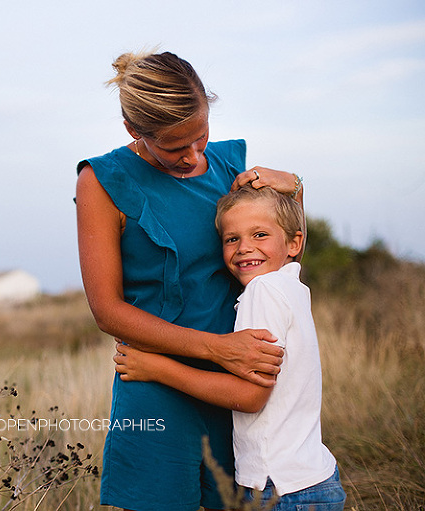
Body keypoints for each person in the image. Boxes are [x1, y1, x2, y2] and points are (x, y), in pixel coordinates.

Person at [76, 50, 303, 510]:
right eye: (175, 147)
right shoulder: (101, 181)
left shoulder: (231, 167)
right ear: (133, 132)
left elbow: (284, 255)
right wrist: (217, 348)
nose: (193, 156)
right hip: (155, 384)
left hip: (239, 386)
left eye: (200, 137)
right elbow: (107, 310)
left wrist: (297, 185)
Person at [114, 184, 346, 511]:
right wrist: (296, 186)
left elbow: (250, 396)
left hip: (282, 489)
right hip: (313, 478)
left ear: (295, 243)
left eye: (260, 235)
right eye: (231, 239)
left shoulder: (262, 291)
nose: (244, 248)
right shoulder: (291, 285)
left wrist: (157, 368)